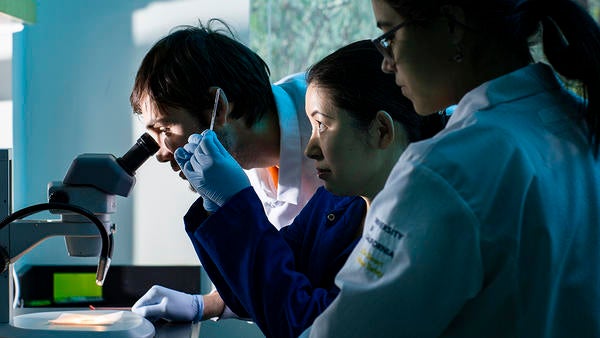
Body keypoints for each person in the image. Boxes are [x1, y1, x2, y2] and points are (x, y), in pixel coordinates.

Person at [305, 0, 600, 337]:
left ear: (451, 27)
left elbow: (347, 331)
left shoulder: (442, 171)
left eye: (390, 36)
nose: (386, 64)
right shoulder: (580, 123)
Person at [150, 40, 444, 338]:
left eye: (322, 126)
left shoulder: (416, 229)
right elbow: (252, 292)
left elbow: (308, 323)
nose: (311, 148)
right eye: (311, 126)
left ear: (381, 130)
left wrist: (235, 204)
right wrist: (217, 208)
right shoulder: (335, 202)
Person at [128, 20, 322, 321]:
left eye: (165, 127)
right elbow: (278, 267)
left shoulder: (329, 128)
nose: (162, 154)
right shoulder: (244, 156)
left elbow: (315, 297)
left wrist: (235, 205)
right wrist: (207, 304)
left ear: (217, 109)